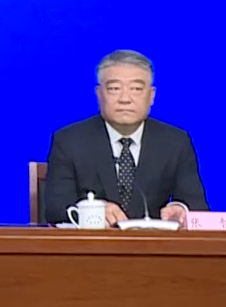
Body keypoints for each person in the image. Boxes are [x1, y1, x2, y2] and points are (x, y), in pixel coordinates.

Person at [44, 49, 208, 226]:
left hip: (152, 241)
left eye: (136, 89)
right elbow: (56, 208)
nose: (125, 99)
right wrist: (92, 210)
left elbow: (197, 205)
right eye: (114, 89)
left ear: (151, 96)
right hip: (94, 241)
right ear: (99, 94)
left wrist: (180, 209)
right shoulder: (69, 141)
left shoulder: (175, 142)